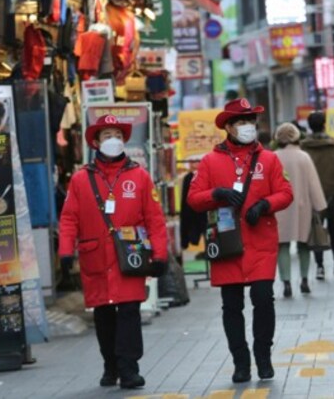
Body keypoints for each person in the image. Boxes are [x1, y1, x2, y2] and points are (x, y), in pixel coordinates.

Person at [187, 98, 293, 383]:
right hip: (227, 243)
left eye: (251, 122)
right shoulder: (210, 161)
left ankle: (264, 357)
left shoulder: (269, 159)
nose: (248, 127)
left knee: (263, 299)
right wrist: (217, 194)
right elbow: (193, 199)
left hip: (261, 243)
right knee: (231, 305)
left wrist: (265, 205)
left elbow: (285, 192)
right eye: (241, 122)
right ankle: (241, 362)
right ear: (229, 127)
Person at [58, 114, 169, 389]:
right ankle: (110, 364)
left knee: (130, 312)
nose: (113, 141)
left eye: (117, 136)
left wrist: (160, 255)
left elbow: (155, 219)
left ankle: (129, 368)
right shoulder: (81, 179)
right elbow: (69, 217)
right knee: (104, 316)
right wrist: (65, 252)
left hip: (130, 256)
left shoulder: (139, 176)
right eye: (107, 136)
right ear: (95, 142)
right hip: (95, 257)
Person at [273, 123, 327, 297]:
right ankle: (304, 280)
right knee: (304, 244)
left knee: (282, 245)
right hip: (303, 206)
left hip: (279, 207)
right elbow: (313, 183)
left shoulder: (273, 157)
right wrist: (319, 205)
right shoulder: (304, 157)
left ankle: (286, 282)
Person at [301, 112, 334, 279]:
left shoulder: (304, 147)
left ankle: (320, 266)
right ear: (324, 124)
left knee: (316, 229)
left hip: (311, 196)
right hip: (333, 195)